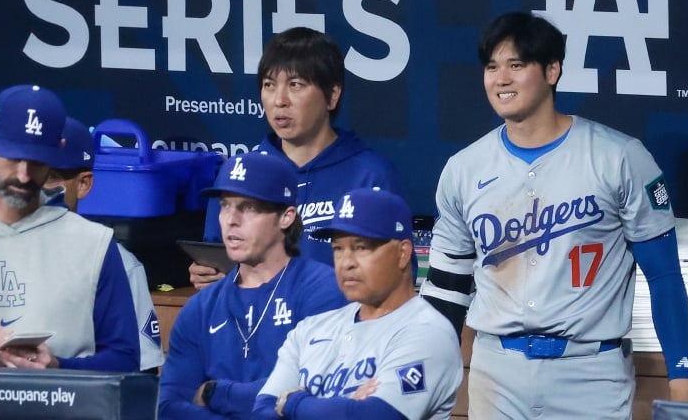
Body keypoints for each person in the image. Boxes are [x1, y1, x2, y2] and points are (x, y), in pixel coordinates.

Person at [418, 11, 688, 419]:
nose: (501, 79)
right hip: (497, 369)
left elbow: (664, 275)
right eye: (492, 67)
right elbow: (446, 285)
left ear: (552, 70)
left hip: (591, 372)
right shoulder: (464, 169)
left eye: (516, 65)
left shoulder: (619, 157)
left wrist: (682, 380)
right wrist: (425, 373)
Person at [191, 26, 407, 289]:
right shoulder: (238, 175)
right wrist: (209, 277)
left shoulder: (371, 175)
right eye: (269, 85)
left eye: (296, 85)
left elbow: (398, 279)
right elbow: (217, 263)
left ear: (332, 95)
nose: (279, 100)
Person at [159, 152, 347, 419]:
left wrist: (215, 392)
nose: (231, 219)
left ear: (286, 216)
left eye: (248, 207)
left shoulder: (323, 292)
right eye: (225, 206)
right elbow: (169, 407)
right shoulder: (201, 308)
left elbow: (308, 395)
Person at [253, 187, 463, 420]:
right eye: (338, 249)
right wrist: (343, 408)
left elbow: (375, 416)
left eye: (361, 247)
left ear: (403, 253)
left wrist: (294, 403)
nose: (346, 263)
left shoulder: (428, 333)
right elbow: (262, 412)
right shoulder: (309, 329)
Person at [0, 84, 139, 371]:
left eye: (36, 161)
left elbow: (125, 361)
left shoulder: (93, 243)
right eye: (13, 157)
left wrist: (59, 367)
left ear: (57, 151)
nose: (23, 175)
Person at [41, 116, 165, 373]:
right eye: (32, 171)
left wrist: (57, 369)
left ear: (83, 184)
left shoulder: (117, 261)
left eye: (51, 176)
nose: (37, 186)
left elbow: (142, 373)